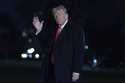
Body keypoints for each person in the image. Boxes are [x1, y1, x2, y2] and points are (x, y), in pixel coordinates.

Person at [33, 4, 85, 83]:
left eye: (60, 14)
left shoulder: (76, 30)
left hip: (66, 72)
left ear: (66, 16)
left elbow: (79, 51)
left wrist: (76, 71)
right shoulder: (54, 29)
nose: (57, 17)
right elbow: (46, 46)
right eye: (56, 15)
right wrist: (39, 31)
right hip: (50, 70)